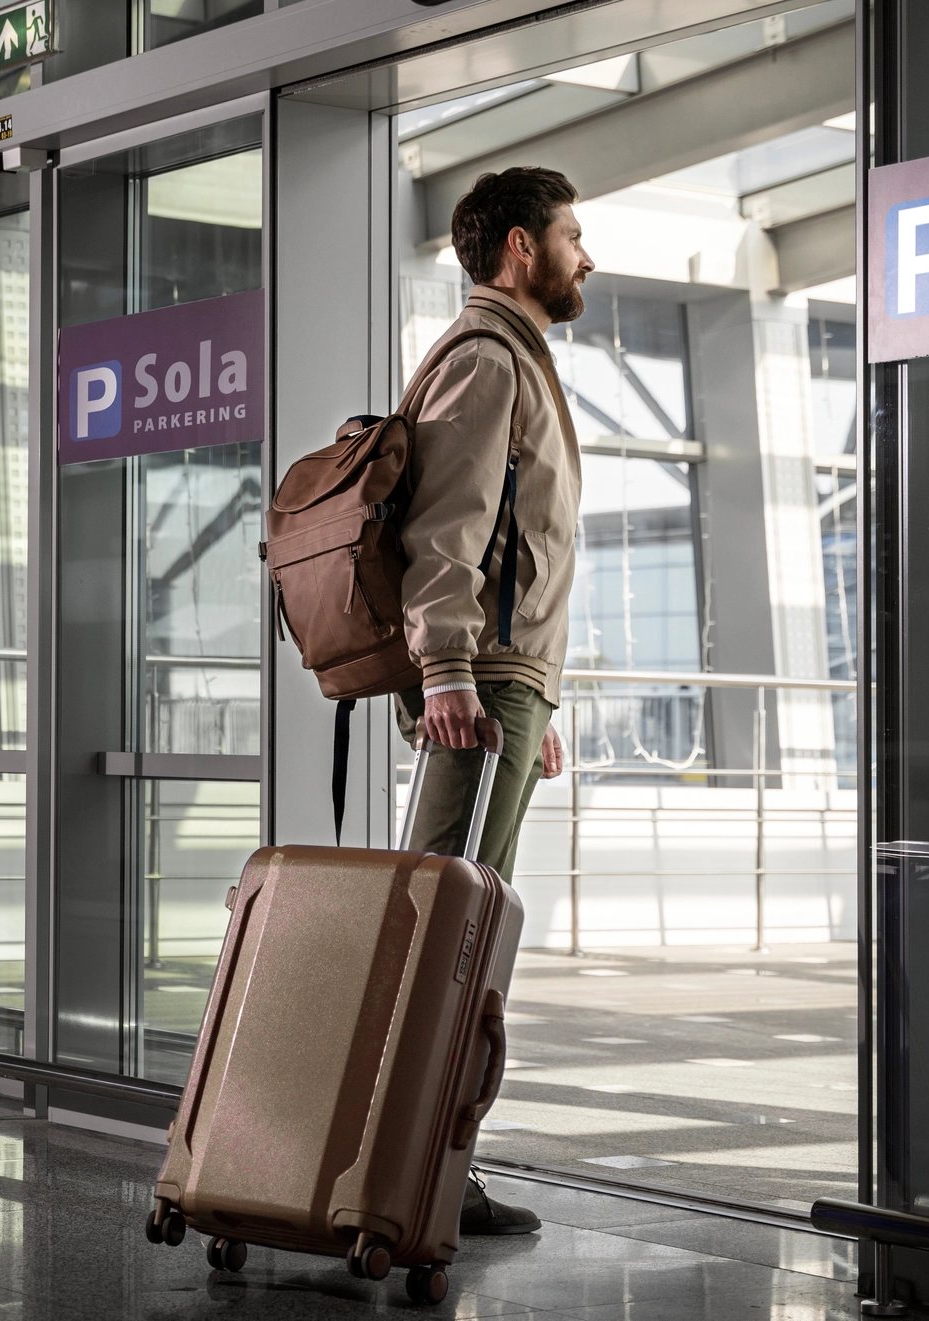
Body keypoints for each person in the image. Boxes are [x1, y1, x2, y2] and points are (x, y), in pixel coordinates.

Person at [398, 166, 590, 1236]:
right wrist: (452, 672)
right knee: (446, 931)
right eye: (571, 234)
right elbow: (450, 530)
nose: (585, 254)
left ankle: (428, 1162)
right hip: (482, 685)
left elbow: (520, 545)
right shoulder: (484, 358)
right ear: (520, 249)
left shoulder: (515, 358)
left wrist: (537, 704)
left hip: (508, 687)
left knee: (467, 923)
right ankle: (408, 1167)